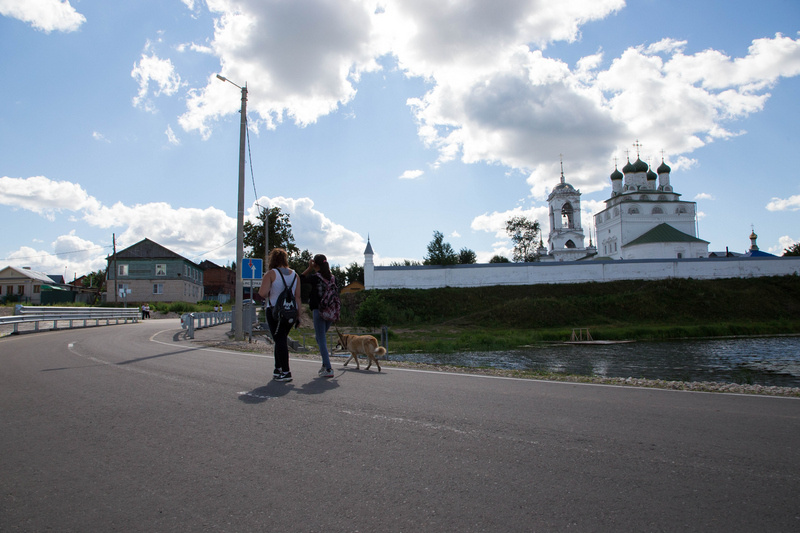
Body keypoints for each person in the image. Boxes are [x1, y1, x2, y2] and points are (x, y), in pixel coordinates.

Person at [258, 248, 301, 382]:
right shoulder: (295, 275)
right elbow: (298, 297)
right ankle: (278, 369)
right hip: (291, 313)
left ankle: (286, 371)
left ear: (272, 259)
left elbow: (262, 293)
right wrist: (298, 316)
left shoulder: (271, 274)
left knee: (280, 340)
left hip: (275, 312)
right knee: (280, 338)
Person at [300, 254, 336, 378]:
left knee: (321, 339)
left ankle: (329, 368)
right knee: (320, 339)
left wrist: (309, 268)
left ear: (315, 264)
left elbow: (300, 279)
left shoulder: (316, 277)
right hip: (331, 311)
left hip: (319, 310)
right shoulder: (332, 278)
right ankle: (324, 365)